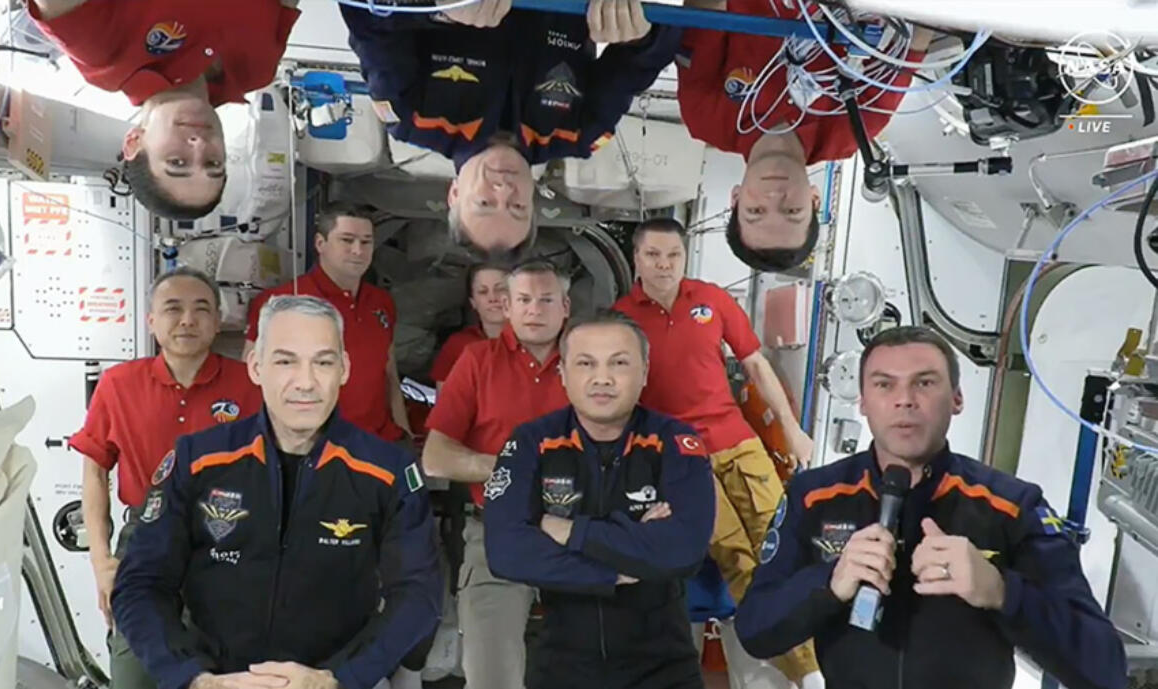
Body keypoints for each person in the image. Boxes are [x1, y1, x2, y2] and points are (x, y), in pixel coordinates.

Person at [736, 326, 1128, 689]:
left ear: (956, 399)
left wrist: (1002, 592)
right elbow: (755, 631)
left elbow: (1103, 667)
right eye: (884, 385)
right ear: (863, 402)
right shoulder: (814, 495)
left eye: (924, 383)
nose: (905, 400)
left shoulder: (1011, 505)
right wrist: (828, 584)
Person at [112, 295, 444, 689]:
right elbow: (141, 584)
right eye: (286, 361)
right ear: (256, 366)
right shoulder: (197, 460)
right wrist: (194, 678)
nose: (305, 382)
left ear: (344, 369)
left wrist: (339, 678)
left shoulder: (387, 471)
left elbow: (418, 593)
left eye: (323, 362)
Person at [613, 217, 819, 685]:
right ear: (636, 259)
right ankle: (803, 671)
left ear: (685, 257)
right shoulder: (621, 318)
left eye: (673, 255)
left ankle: (813, 664)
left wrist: (792, 429)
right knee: (737, 559)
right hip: (681, 462)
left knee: (782, 549)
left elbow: (756, 367)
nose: (664, 265)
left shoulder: (712, 299)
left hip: (739, 444)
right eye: (653, 255)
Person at [482, 309, 716, 689]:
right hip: (560, 666)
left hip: (665, 668)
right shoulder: (530, 442)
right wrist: (613, 571)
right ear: (563, 374)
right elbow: (507, 551)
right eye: (586, 363)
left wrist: (570, 531)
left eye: (619, 363)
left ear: (644, 372)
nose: (602, 378)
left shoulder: (675, 443)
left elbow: (683, 550)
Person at [339, 0, 682, 256]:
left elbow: (364, 18)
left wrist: (435, 8)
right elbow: (646, 60)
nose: (504, 190)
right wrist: (640, 34)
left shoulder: (409, 114)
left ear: (455, 194)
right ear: (533, 203)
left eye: (485, 203)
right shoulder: (580, 132)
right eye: (517, 207)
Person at [68, 267, 261, 689]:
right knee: (136, 671)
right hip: (146, 539)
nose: (187, 320)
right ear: (151, 320)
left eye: (201, 309)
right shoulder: (119, 385)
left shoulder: (251, 387)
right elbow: (95, 470)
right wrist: (102, 562)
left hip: (226, 539)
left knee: (223, 672)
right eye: (173, 308)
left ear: (217, 321)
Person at [675, 0, 931, 272]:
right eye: (792, 211)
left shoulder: (705, 117)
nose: (774, 195)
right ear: (815, 200)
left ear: (736, 199)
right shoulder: (850, 130)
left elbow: (705, 10)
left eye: (756, 211)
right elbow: (914, 45)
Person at [420, 258, 570, 689]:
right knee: (490, 679)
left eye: (546, 300)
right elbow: (436, 457)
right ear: (506, 306)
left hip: (581, 535)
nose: (534, 310)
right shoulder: (476, 359)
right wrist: (512, 468)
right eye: (524, 299)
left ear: (566, 306)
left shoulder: (589, 360)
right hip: (496, 534)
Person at [27, 0, 301, 220]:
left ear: (134, 141)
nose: (199, 145)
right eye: (213, 163)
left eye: (177, 162)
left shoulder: (104, 53)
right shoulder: (257, 71)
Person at [244, 203, 412, 443]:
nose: (358, 250)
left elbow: (389, 374)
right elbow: (252, 382)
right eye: (347, 240)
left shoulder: (381, 301)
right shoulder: (283, 300)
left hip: (379, 444)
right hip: (315, 449)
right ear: (320, 243)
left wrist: (403, 435)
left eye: (366, 242)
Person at [429, 263, 509, 389]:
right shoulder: (458, 345)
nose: (492, 298)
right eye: (483, 292)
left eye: (500, 289)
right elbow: (445, 405)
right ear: (473, 302)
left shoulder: (538, 342)